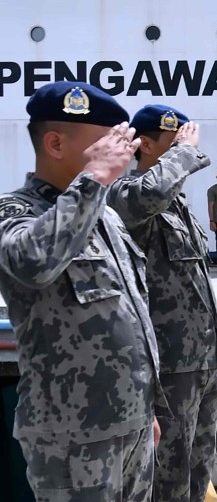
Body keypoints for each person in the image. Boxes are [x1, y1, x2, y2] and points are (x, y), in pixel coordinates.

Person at [0, 81, 160, 501]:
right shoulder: (15, 211)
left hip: (132, 423)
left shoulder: (104, 214)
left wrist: (146, 409)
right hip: (72, 438)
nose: (125, 154)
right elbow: (32, 263)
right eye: (111, 143)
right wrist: (93, 178)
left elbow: (133, 313)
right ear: (55, 142)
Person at [107, 105, 217, 502]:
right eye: (170, 140)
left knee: (199, 459)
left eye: (182, 139)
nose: (179, 146)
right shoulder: (124, 194)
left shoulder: (177, 204)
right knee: (169, 471)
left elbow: (198, 284)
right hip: (168, 363)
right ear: (142, 143)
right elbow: (149, 192)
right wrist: (185, 152)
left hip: (201, 358)